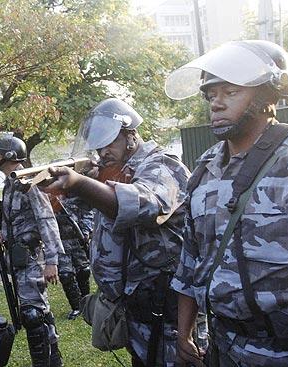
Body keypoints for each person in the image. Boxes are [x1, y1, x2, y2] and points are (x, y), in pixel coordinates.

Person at [166, 40, 288, 367]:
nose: (216, 104)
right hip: (222, 347)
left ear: (268, 97)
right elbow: (191, 259)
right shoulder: (205, 169)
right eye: (211, 95)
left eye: (231, 92)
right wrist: (184, 333)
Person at [41, 98, 192, 366]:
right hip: (137, 307)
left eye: (109, 143)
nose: (102, 152)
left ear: (131, 136)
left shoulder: (162, 165)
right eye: (98, 147)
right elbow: (72, 205)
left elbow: (144, 204)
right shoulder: (117, 171)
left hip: (169, 312)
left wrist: (78, 182)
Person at [0, 136, 65, 367]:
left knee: (33, 314)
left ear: (9, 156)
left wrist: (52, 260)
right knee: (36, 311)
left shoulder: (29, 183)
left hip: (33, 257)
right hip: (19, 258)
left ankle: (43, 363)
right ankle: (53, 360)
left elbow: (47, 220)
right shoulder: (9, 185)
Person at [51, 193, 92, 320]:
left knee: (83, 271)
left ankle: (86, 303)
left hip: (77, 239)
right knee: (66, 275)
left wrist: (85, 231)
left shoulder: (76, 192)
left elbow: (88, 213)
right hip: (60, 242)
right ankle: (76, 307)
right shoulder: (49, 197)